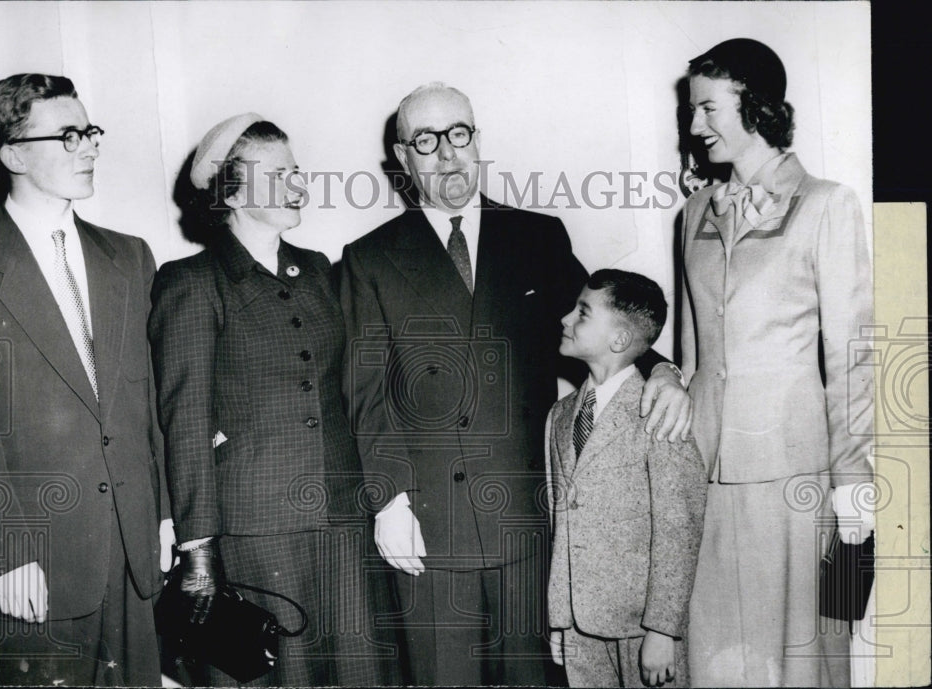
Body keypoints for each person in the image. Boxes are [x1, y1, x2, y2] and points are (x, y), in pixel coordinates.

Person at [340, 82, 693, 685]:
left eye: (460, 134)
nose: (448, 152)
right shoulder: (368, 257)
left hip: (528, 520)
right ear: (403, 159)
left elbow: (608, 329)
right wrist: (390, 500)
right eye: (426, 140)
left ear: (477, 141)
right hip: (428, 523)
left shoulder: (537, 236)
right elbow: (367, 392)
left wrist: (662, 368)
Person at [0, 73, 171, 686]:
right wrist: (7, 554)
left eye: (89, 131)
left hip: (137, 546)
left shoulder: (131, 255)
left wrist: (167, 516)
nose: (89, 146)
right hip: (36, 559)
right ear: (13, 154)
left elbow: (148, 402)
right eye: (68, 135)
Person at [148, 113, 398, 686]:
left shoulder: (316, 270)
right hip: (257, 531)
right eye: (278, 174)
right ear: (230, 190)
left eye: (296, 171)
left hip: (342, 520)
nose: (298, 185)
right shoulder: (191, 282)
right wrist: (199, 551)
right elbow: (184, 423)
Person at [680, 39, 875, 686]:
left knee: (799, 659)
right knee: (713, 656)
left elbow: (853, 353)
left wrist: (854, 476)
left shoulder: (826, 204)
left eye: (709, 108)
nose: (694, 126)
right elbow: (690, 354)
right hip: (704, 471)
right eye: (692, 110)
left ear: (755, 106)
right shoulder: (691, 214)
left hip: (795, 473)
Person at [545, 269, 706, 688]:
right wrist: (560, 619)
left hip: (642, 630)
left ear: (618, 340)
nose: (565, 319)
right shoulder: (560, 417)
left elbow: (679, 529)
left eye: (581, 313)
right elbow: (560, 526)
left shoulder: (659, 409)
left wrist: (663, 630)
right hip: (580, 630)